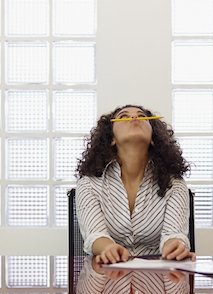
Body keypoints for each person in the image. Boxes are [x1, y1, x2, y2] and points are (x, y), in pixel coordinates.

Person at [76, 104, 194, 264]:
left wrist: (176, 246)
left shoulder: (175, 183)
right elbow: (94, 235)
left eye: (141, 116)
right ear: (112, 138)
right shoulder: (89, 184)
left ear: (152, 137)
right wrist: (108, 248)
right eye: (124, 116)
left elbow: (174, 234)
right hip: (107, 278)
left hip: (158, 278)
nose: (134, 118)